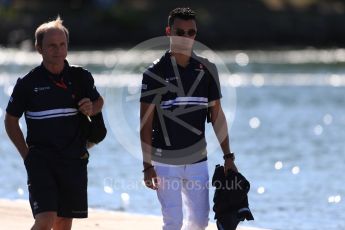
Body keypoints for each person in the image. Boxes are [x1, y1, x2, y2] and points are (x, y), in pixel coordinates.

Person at [140, 7, 238, 230]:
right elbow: (145, 123)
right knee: (173, 222)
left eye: (191, 32)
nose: (185, 38)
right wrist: (147, 166)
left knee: (199, 223)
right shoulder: (154, 73)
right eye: (180, 32)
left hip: (198, 161)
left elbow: (217, 116)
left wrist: (228, 156)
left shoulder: (208, 69)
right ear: (169, 32)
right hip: (164, 161)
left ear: (196, 34)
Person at [4, 16, 104, 230]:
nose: (58, 50)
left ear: (67, 46)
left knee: (63, 224)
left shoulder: (81, 77)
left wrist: (91, 107)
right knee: (45, 219)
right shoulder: (27, 83)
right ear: (38, 48)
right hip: (41, 161)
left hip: (73, 160)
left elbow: (99, 101)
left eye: (62, 45)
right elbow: (10, 120)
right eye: (51, 45)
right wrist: (26, 155)